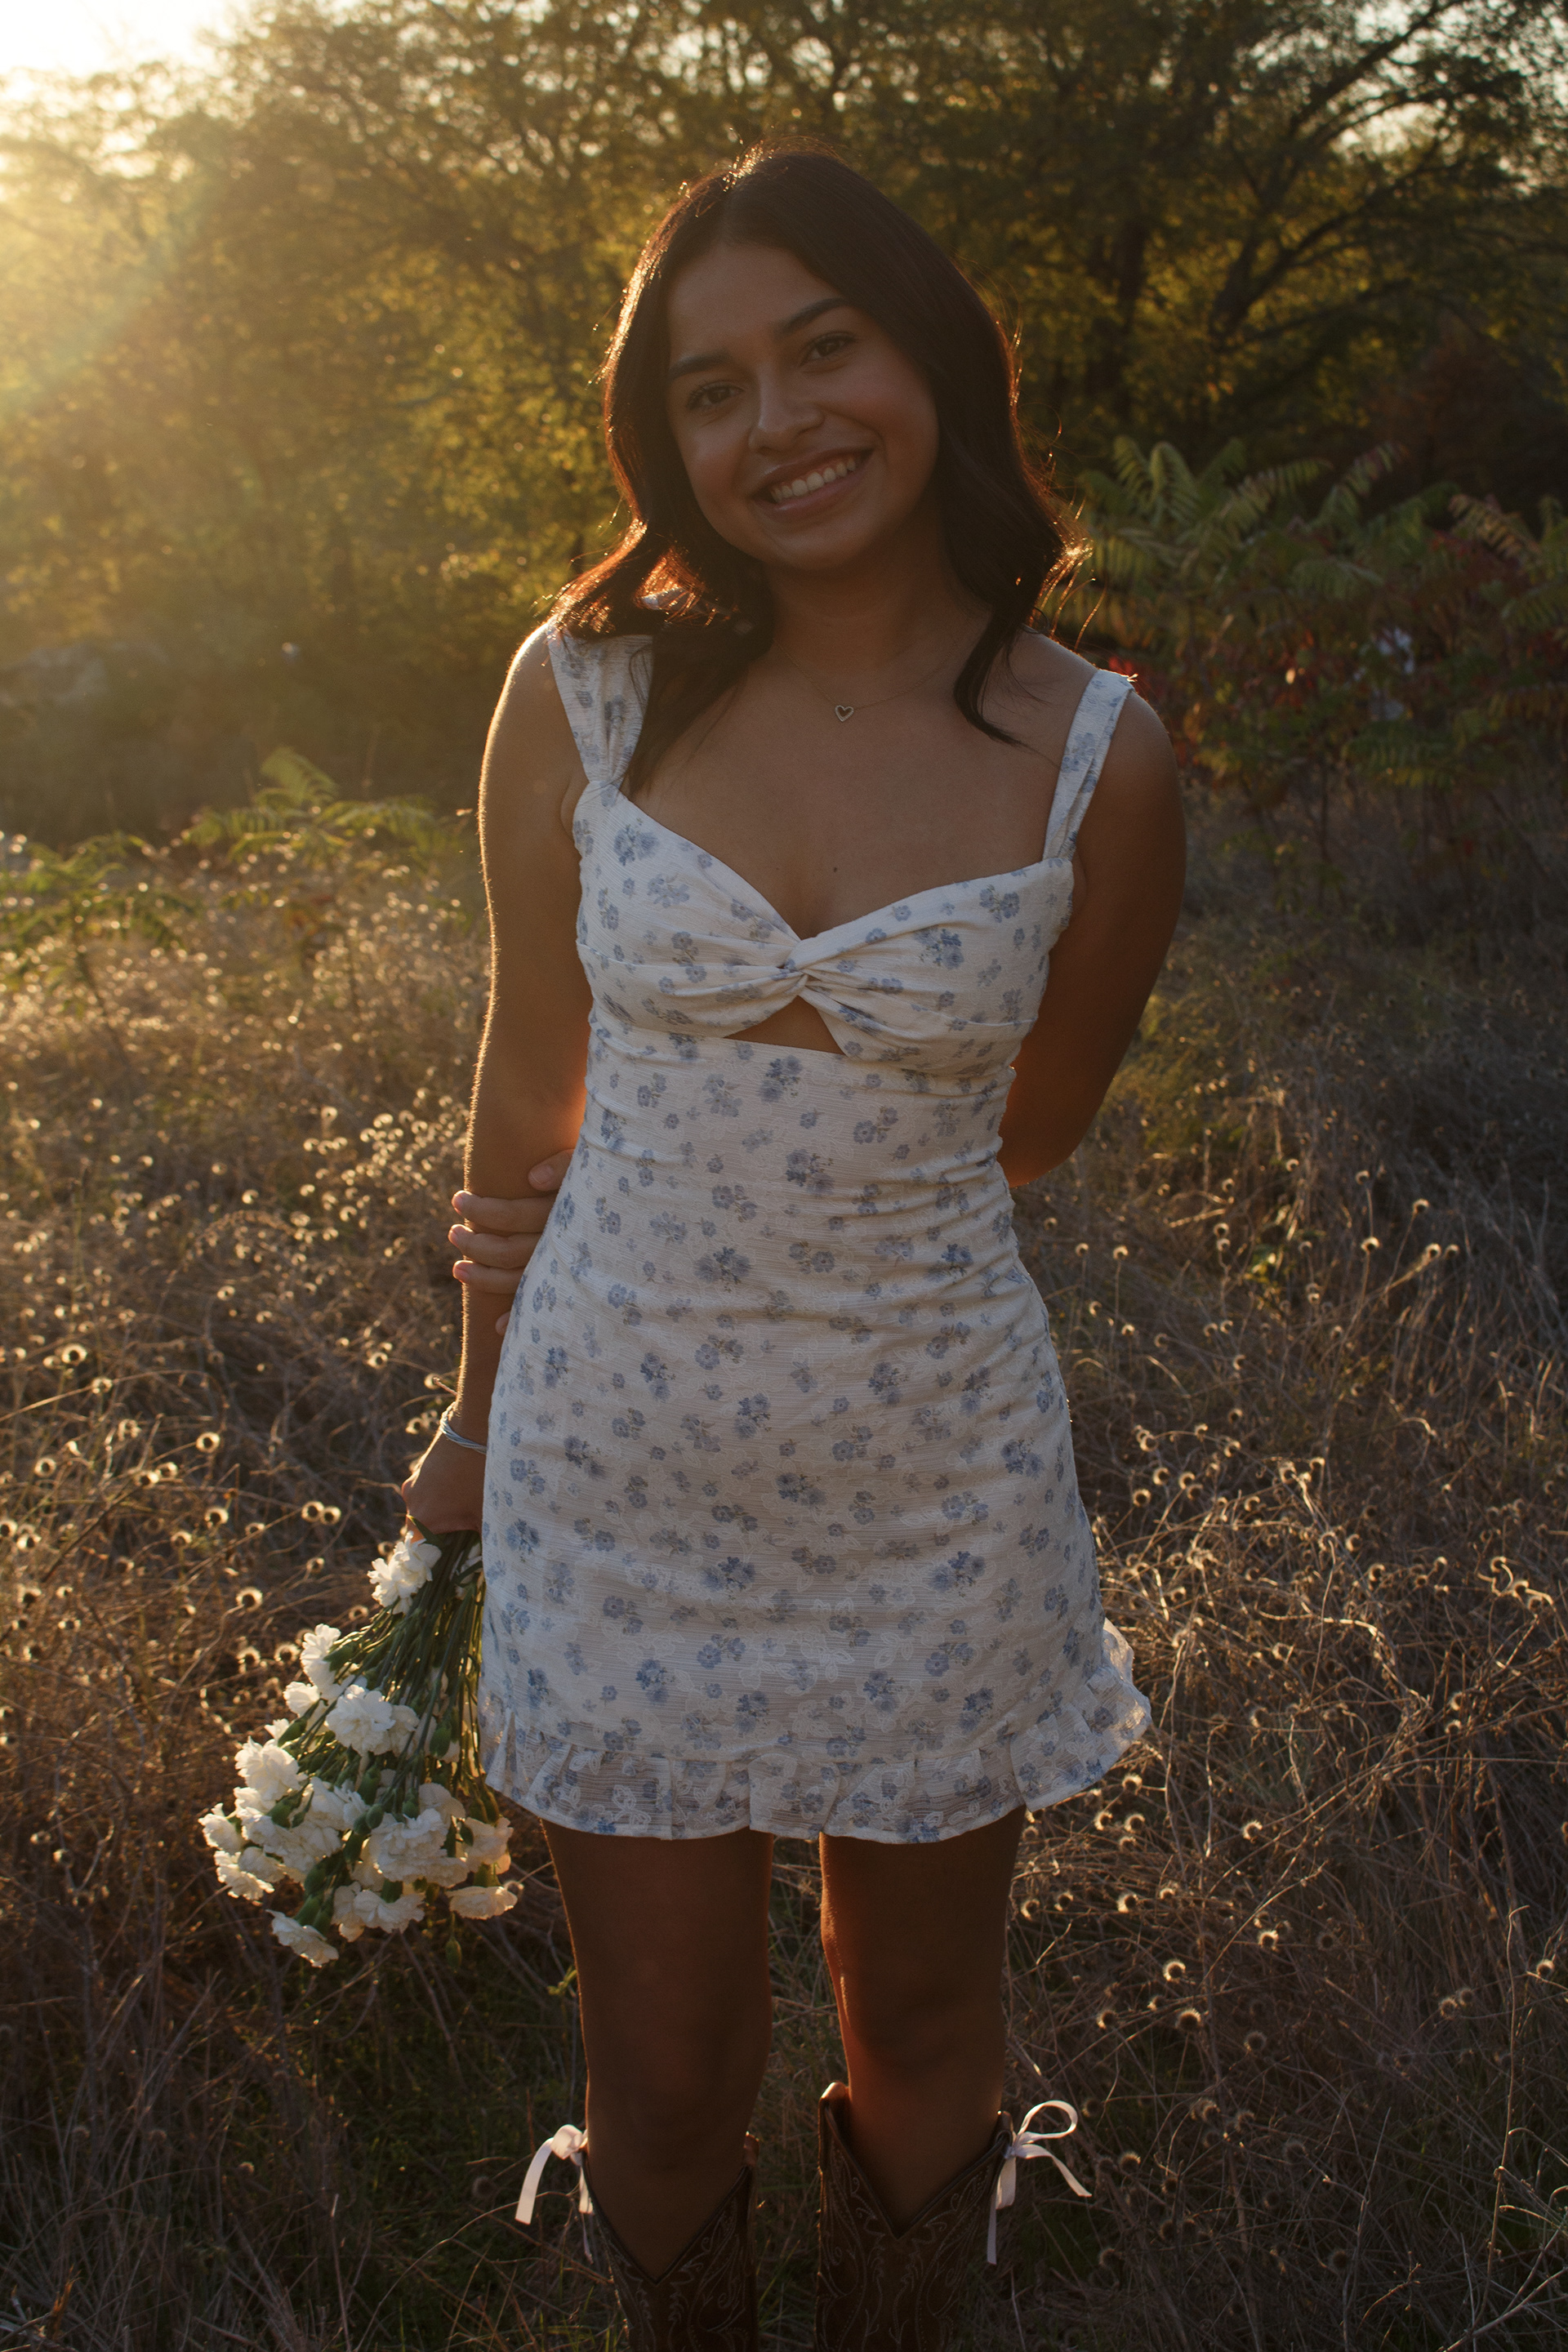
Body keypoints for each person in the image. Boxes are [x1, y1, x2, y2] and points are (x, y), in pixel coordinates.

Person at [403, 142, 1184, 2352]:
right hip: (618, 1468)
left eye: (823, 348)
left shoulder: (1101, 761)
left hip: (927, 1478)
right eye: (715, 387)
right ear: (674, 441)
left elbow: (1030, 1127)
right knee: (660, 2076)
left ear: (930, 353)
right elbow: (525, 1086)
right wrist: (472, 1418)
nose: (780, 422)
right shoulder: (585, 691)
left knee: (923, 2037)